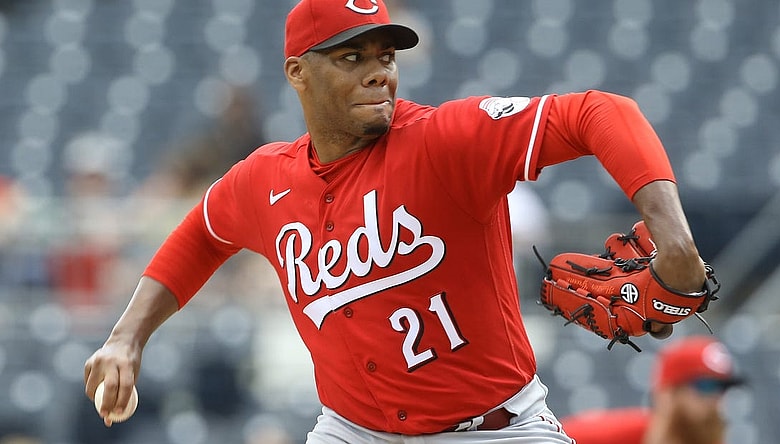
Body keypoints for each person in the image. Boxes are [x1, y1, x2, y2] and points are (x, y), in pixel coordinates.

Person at [83, 0, 709, 442]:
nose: (378, 69)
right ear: (298, 73)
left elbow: (602, 112)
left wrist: (672, 235)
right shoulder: (264, 180)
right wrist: (127, 337)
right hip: (351, 432)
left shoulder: (444, 140)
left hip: (491, 431)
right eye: (351, 57)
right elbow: (202, 234)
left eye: (384, 54)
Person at [560, 335, 743, 444]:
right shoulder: (597, 437)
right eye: (705, 386)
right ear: (667, 393)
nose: (716, 399)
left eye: (723, 387)